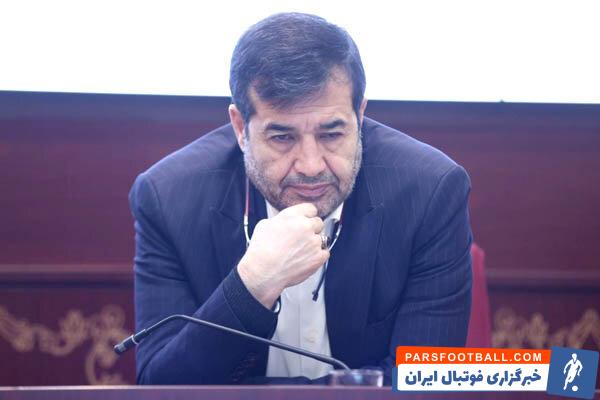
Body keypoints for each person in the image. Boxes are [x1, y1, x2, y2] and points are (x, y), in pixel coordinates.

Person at [130, 12, 473, 385]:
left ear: (360, 115)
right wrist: (251, 286)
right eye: (282, 138)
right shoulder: (169, 199)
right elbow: (160, 387)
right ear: (241, 128)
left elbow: (422, 383)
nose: (311, 166)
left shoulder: (430, 192)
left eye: (332, 134)